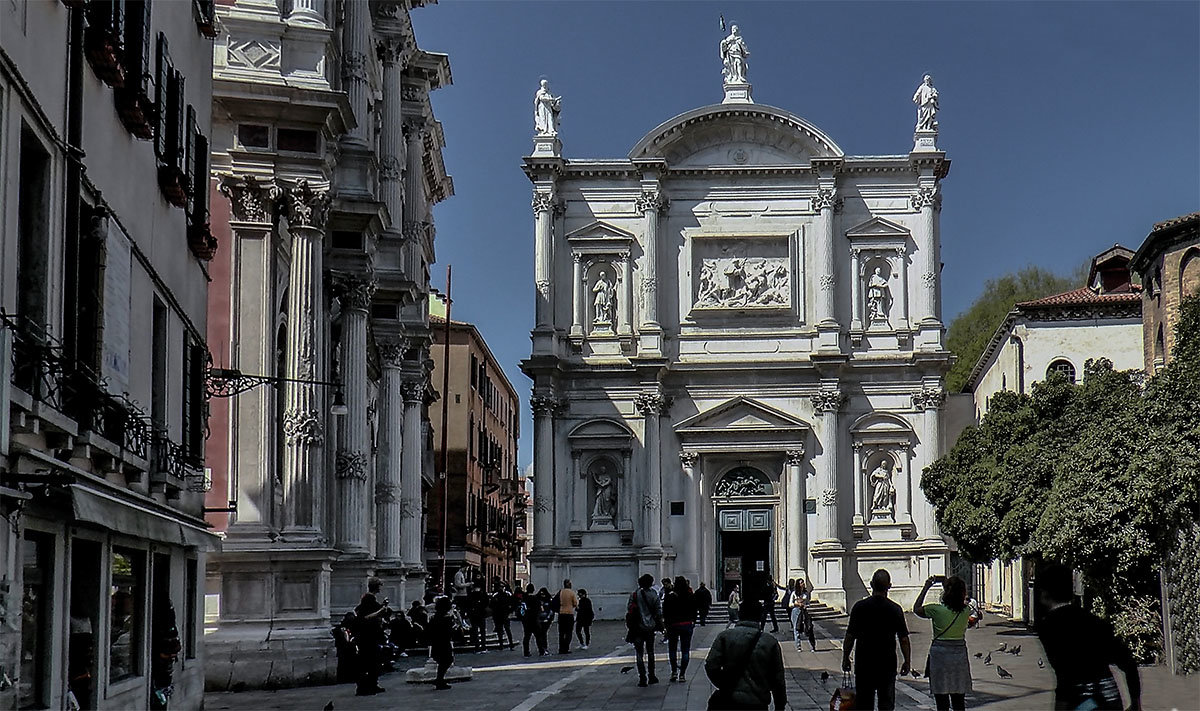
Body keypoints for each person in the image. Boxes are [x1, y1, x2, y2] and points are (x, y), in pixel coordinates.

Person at [1037, 564, 1141, 711]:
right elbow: (1128, 663)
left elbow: (1066, 676)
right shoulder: (1094, 621)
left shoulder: (1049, 626)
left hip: (1082, 703)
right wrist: (1136, 704)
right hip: (1111, 700)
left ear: (1045, 593)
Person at [842, 569, 912, 711]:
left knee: (864, 704)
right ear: (889, 586)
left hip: (864, 663)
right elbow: (903, 639)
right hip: (887, 664)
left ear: (871, 584)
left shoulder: (859, 607)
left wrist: (845, 657)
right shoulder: (895, 609)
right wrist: (907, 661)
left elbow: (850, 636)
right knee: (886, 704)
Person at [704, 599, 787, 711]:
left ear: (739, 614)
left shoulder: (724, 637)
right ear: (760, 615)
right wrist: (780, 704)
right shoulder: (770, 642)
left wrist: (724, 684)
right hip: (757, 702)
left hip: (729, 700)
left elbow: (711, 665)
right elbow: (778, 678)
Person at [914, 575, 973, 711]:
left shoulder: (936, 610)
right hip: (959, 656)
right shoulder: (965, 611)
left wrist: (927, 586)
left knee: (942, 702)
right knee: (959, 701)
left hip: (939, 656)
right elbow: (958, 595)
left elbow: (916, 608)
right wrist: (947, 583)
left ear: (946, 591)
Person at [354, 578, 390, 696]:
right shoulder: (368, 599)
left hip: (370, 635)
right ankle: (365, 687)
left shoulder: (369, 599)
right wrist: (380, 612)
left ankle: (371, 684)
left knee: (372, 661)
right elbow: (366, 617)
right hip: (367, 635)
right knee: (368, 661)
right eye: (379, 586)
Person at [626, 573, 664, 687]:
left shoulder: (635, 594)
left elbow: (629, 608)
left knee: (639, 653)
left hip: (637, 627)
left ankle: (642, 677)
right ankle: (652, 675)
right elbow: (658, 612)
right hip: (650, 627)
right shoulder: (654, 595)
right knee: (650, 651)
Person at [664, 576, 698, 682]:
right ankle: (682, 674)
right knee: (685, 650)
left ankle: (674, 671)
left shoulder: (670, 596)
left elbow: (665, 612)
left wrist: (666, 625)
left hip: (673, 625)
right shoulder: (690, 595)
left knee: (672, 649)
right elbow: (694, 610)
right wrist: (693, 622)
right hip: (686, 624)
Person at [427, 596, 456, 691]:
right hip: (444, 642)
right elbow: (449, 630)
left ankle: (439, 679)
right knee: (447, 660)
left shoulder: (434, 617)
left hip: (436, 642)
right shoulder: (446, 618)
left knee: (443, 661)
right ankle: (439, 679)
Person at [789, 579, 817, 652]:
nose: (803, 584)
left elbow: (808, 603)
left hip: (804, 611)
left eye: (803, 582)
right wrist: (797, 604)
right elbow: (790, 604)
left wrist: (805, 605)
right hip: (796, 611)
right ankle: (798, 646)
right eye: (801, 583)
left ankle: (812, 646)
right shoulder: (794, 593)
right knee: (796, 629)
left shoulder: (806, 593)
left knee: (809, 627)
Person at [519, 583, 544, 657]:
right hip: (534, 620)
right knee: (538, 637)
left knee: (526, 637)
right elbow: (539, 610)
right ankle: (541, 651)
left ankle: (526, 652)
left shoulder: (524, 598)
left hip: (526, 620)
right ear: (533, 590)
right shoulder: (535, 599)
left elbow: (522, 610)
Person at [556, 579, 578, 654]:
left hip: (561, 613)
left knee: (561, 632)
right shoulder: (572, 593)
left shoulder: (560, 592)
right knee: (569, 632)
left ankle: (561, 648)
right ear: (569, 584)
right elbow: (575, 603)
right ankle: (566, 648)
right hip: (569, 613)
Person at [466, 583, 490, 653]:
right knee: (482, 631)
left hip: (474, 615)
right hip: (481, 614)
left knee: (475, 631)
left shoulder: (471, 594)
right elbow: (486, 603)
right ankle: (483, 647)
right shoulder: (483, 594)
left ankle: (477, 647)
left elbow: (468, 604)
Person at [491, 584, 515, 650]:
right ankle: (502, 645)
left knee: (507, 630)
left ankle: (510, 644)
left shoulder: (507, 595)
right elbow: (492, 605)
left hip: (505, 615)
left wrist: (510, 612)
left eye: (502, 587)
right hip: (498, 615)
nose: (501, 588)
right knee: (500, 630)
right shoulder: (496, 595)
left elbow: (512, 603)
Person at [535, 587, 554, 656]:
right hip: (539, 619)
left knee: (543, 633)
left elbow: (551, 610)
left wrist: (549, 618)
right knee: (541, 634)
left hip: (546, 619)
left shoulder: (549, 600)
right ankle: (542, 648)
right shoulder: (537, 599)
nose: (542, 595)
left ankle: (544, 647)